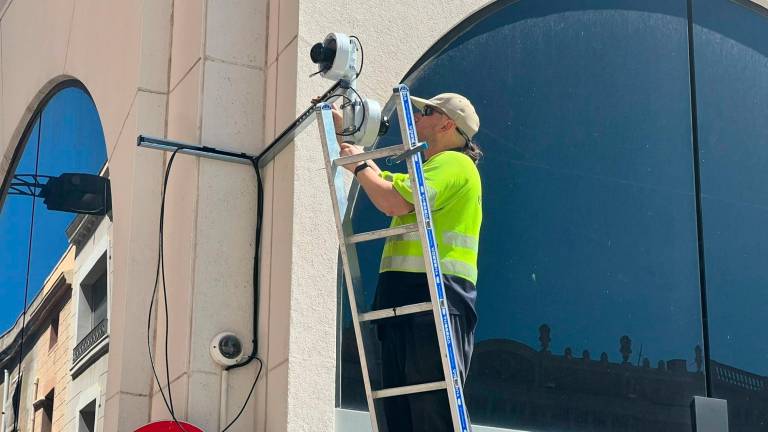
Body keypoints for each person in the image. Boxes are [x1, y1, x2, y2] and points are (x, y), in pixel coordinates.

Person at [332, 92, 482, 431]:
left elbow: (392, 201)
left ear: (447, 123)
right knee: (405, 414)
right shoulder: (430, 168)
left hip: (434, 296)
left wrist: (358, 163)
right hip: (410, 297)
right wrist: (345, 137)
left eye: (426, 111)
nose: (416, 117)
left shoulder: (455, 163)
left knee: (431, 411)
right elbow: (386, 186)